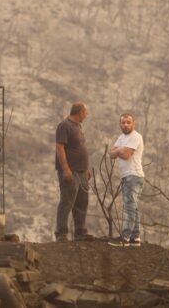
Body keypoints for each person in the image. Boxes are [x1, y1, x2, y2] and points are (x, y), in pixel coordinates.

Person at [54, 102, 94, 242]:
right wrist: (65, 169)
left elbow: (80, 148)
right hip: (70, 171)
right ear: (80, 112)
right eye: (85, 113)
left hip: (81, 172)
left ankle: (80, 232)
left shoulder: (78, 127)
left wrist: (86, 168)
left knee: (82, 202)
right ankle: (61, 233)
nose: (86, 115)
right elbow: (60, 148)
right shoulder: (64, 126)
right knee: (67, 200)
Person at [109, 113, 144, 247]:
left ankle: (125, 238)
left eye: (128, 122)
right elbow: (111, 153)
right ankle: (135, 238)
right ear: (120, 124)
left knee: (129, 207)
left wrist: (120, 150)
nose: (126, 125)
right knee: (133, 207)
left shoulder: (136, 136)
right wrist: (120, 150)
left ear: (133, 123)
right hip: (127, 176)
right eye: (123, 122)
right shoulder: (121, 137)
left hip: (134, 175)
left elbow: (126, 155)